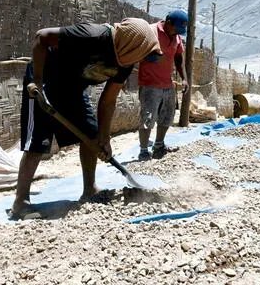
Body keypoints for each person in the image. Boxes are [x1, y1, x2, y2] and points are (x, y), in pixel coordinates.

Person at [11, 18, 162, 217]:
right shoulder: (92, 35)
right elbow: (42, 37)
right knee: (38, 141)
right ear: (132, 43)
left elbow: (108, 101)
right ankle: (20, 203)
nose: (141, 61)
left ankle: (89, 190)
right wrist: (37, 80)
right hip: (44, 81)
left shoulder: (125, 61)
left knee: (92, 137)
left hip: (72, 88)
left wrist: (104, 137)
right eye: (143, 54)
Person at [137, 10, 189, 160]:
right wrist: (147, 55)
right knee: (148, 118)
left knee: (167, 116)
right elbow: (137, 51)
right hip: (150, 83)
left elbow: (178, 57)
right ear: (168, 22)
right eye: (176, 29)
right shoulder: (151, 31)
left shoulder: (176, 36)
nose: (176, 34)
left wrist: (184, 78)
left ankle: (159, 145)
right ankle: (143, 151)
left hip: (167, 83)